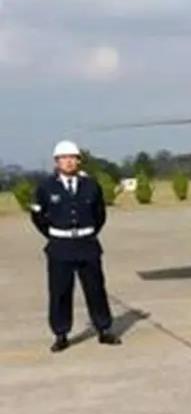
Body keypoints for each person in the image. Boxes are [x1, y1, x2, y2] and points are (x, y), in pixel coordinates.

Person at [28, 140, 120, 352]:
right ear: (56, 162)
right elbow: (38, 216)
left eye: (72, 157)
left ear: (78, 160)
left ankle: (103, 328)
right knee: (60, 291)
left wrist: (88, 233)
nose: (68, 161)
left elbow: (99, 215)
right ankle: (61, 334)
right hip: (60, 247)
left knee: (96, 289)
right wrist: (55, 235)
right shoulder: (46, 187)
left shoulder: (91, 185)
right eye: (64, 158)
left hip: (87, 245)